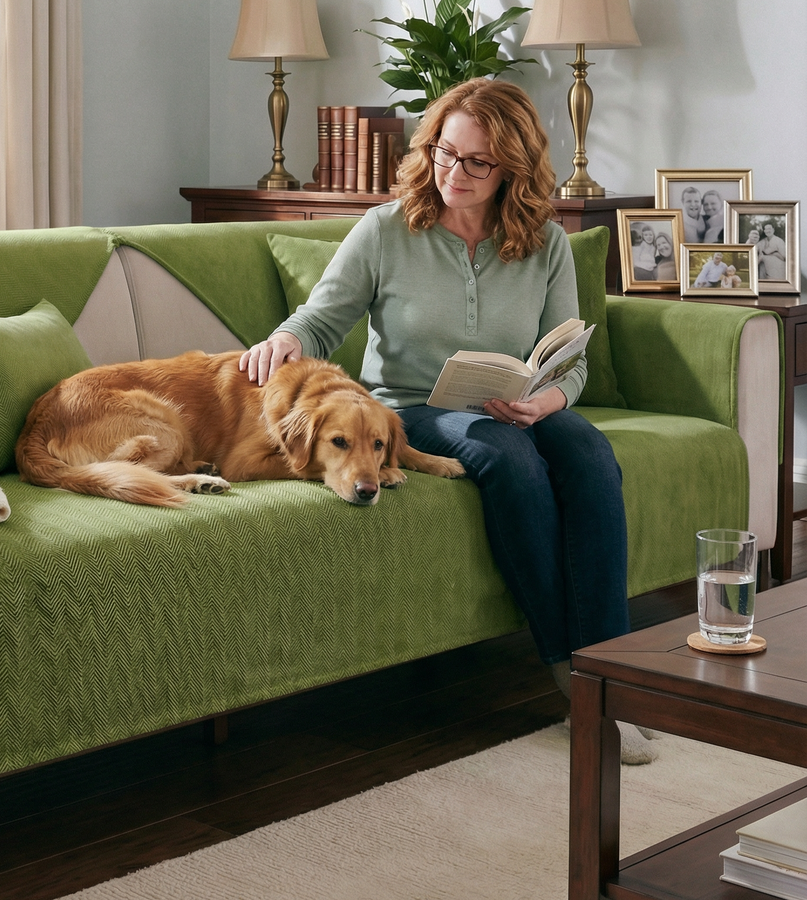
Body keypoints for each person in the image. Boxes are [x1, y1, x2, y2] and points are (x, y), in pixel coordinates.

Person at [239, 79, 653, 762]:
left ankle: (613, 677)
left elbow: (571, 361)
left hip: (512, 402)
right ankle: (571, 677)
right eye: (443, 152)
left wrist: (544, 401)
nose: (453, 173)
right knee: (508, 459)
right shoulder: (386, 229)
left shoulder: (545, 243)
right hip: (410, 408)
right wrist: (285, 340)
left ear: (513, 168)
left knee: (587, 452)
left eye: (476, 162)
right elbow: (320, 318)